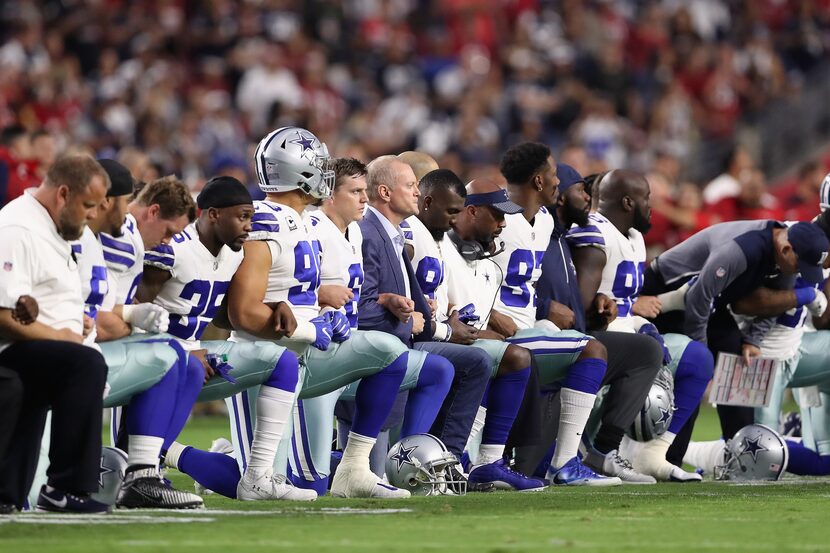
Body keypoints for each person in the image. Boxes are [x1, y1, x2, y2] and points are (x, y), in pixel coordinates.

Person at [227, 127, 416, 499]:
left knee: (389, 352)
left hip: (304, 355)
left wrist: (318, 301)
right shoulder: (266, 220)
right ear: (300, 172)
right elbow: (244, 312)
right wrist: (309, 329)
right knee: (261, 480)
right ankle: (175, 454)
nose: (327, 175)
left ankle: (354, 467)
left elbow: (287, 287)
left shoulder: (303, 220)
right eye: (320, 167)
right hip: (265, 356)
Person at [135, 176, 314, 502]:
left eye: (251, 217)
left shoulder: (232, 255)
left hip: (193, 354)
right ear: (214, 214)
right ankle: (148, 464)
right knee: (187, 367)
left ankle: (259, 475)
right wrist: (181, 350)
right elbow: (135, 316)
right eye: (243, 217)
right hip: (156, 357)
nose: (249, 226)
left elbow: (216, 312)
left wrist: (274, 306)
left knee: (282, 361)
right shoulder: (174, 249)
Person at [286, 157, 453, 494]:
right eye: (356, 191)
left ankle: (360, 464)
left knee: (401, 357)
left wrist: (387, 299)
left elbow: (361, 296)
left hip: (343, 350)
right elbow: (286, 288)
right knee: (307, 485)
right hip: (312, 353)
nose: (364, 199)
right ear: (330, 194)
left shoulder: (354, 234)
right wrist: (320, 292)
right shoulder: (312, 230)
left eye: (365, 190)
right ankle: (194, 455)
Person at [72, 159, 204, 509]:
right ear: (153, 210)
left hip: (84, 339)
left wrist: (128, 316)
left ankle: (147, 469)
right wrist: (133, 316)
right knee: (174, 355)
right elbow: (101, 321)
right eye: (169, 232)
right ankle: (142, 474)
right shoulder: (121, 235)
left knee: (186, 363)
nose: (168, 242)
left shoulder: (125, 233)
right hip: (79, 344)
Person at [358, 156, 496, 488]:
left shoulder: (401, 234)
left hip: (400, 335)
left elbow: (421, 303)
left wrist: (431, 317)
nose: (417, 193)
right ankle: (410, 459)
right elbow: (363, 305)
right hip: (366, 339)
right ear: (386, 191)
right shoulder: (374, 232)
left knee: (444, 368)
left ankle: (427, 458)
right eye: (411, 186)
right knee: (328, 476)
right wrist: (416, 319)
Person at [408, 169, 548, 491]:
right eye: (497, 216)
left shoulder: (487, 265)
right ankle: (471, 461)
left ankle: (485, 461)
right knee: (507, 356)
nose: (502, 224)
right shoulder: (434, 244)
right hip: (428, 338)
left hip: (450, 340)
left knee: (503, 355)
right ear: (471, 211)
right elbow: (444, 317)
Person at [568, 169, 712, 481]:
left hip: (627, 333)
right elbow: (582, 303)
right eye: (647, 199)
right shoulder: (593, 231)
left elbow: (624, 300)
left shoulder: (635, 237)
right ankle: (598, 449)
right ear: (628, 201)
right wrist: (633, 309)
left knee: (696, 358)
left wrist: (639, 320)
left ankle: (651, 455)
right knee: (645, 357)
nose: (652, 207)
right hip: (597, 340)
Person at [489, 142, 615, 486]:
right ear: (539, 181)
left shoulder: (544, 220)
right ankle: (564, 462)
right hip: (493, 332)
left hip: (528, 328)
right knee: (591, 349)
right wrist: (486, 316)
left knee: (575, 344)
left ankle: (549, 457)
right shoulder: (493, 211)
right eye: (554, 174)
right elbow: (462, 266)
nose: (558, 182)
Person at [528, 163, 662, 483]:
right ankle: (584, 451)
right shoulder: (561, 232)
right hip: (538, 335)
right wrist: (549, 308)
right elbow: (516, 290)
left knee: (651, 352)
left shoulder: (559, 235)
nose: (589, 198)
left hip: (568, 333)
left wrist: (601, 308)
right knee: (617, 351)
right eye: (581, 191)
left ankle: (591, 452)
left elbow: (577, 303)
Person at [642, 215, 830, 441]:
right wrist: (702, 355)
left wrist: (754, 340)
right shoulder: (743, 249)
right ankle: (669, 455)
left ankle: (740, 447)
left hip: (711, 302)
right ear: (786, 250)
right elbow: (698, 297)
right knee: (692, 371)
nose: (801, 272)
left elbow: (778, 300)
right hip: (666, 294)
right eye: (801, 265)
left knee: (737, 359)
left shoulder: (786, 255)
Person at [0, 155, 110, 513]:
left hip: (33, 348)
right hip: (11, 347)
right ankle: (67, 487)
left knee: (44, 382)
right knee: (85, 364)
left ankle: (8, 495)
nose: (93, 215)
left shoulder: (50, 225)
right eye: (88, 205)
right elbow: (3, 315)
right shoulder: (18, 228)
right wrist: (61, 336)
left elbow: (38, 295)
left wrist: (73, 319)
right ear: (63, 193)